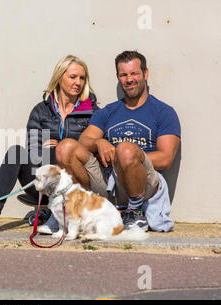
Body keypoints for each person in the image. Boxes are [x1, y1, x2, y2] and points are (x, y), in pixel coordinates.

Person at [55, 50, 181, 231]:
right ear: (118, 77)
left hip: (143, 183)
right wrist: (99, 143)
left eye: (134, 73)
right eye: (123, 75)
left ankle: (136, 213)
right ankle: (82, 210)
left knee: (125, 149)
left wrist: (123, 157)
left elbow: (166, 158)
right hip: (108, 180)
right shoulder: (109, 111)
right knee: (65, 148)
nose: (129, 79)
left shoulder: (164, 112)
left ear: (145, 74)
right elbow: (84, 140)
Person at [0, 55, 98, 237]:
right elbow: (33, 148)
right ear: (59, 77)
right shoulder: (41, 110)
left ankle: (56, 215)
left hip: (73, 183)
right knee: (16, 152)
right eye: (73, 77)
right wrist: (47, 151)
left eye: (82, 78)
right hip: (41, 181)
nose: (78, 82)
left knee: (61, 150)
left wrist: (64, 146)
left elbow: (91, 150)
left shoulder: (91, 111)